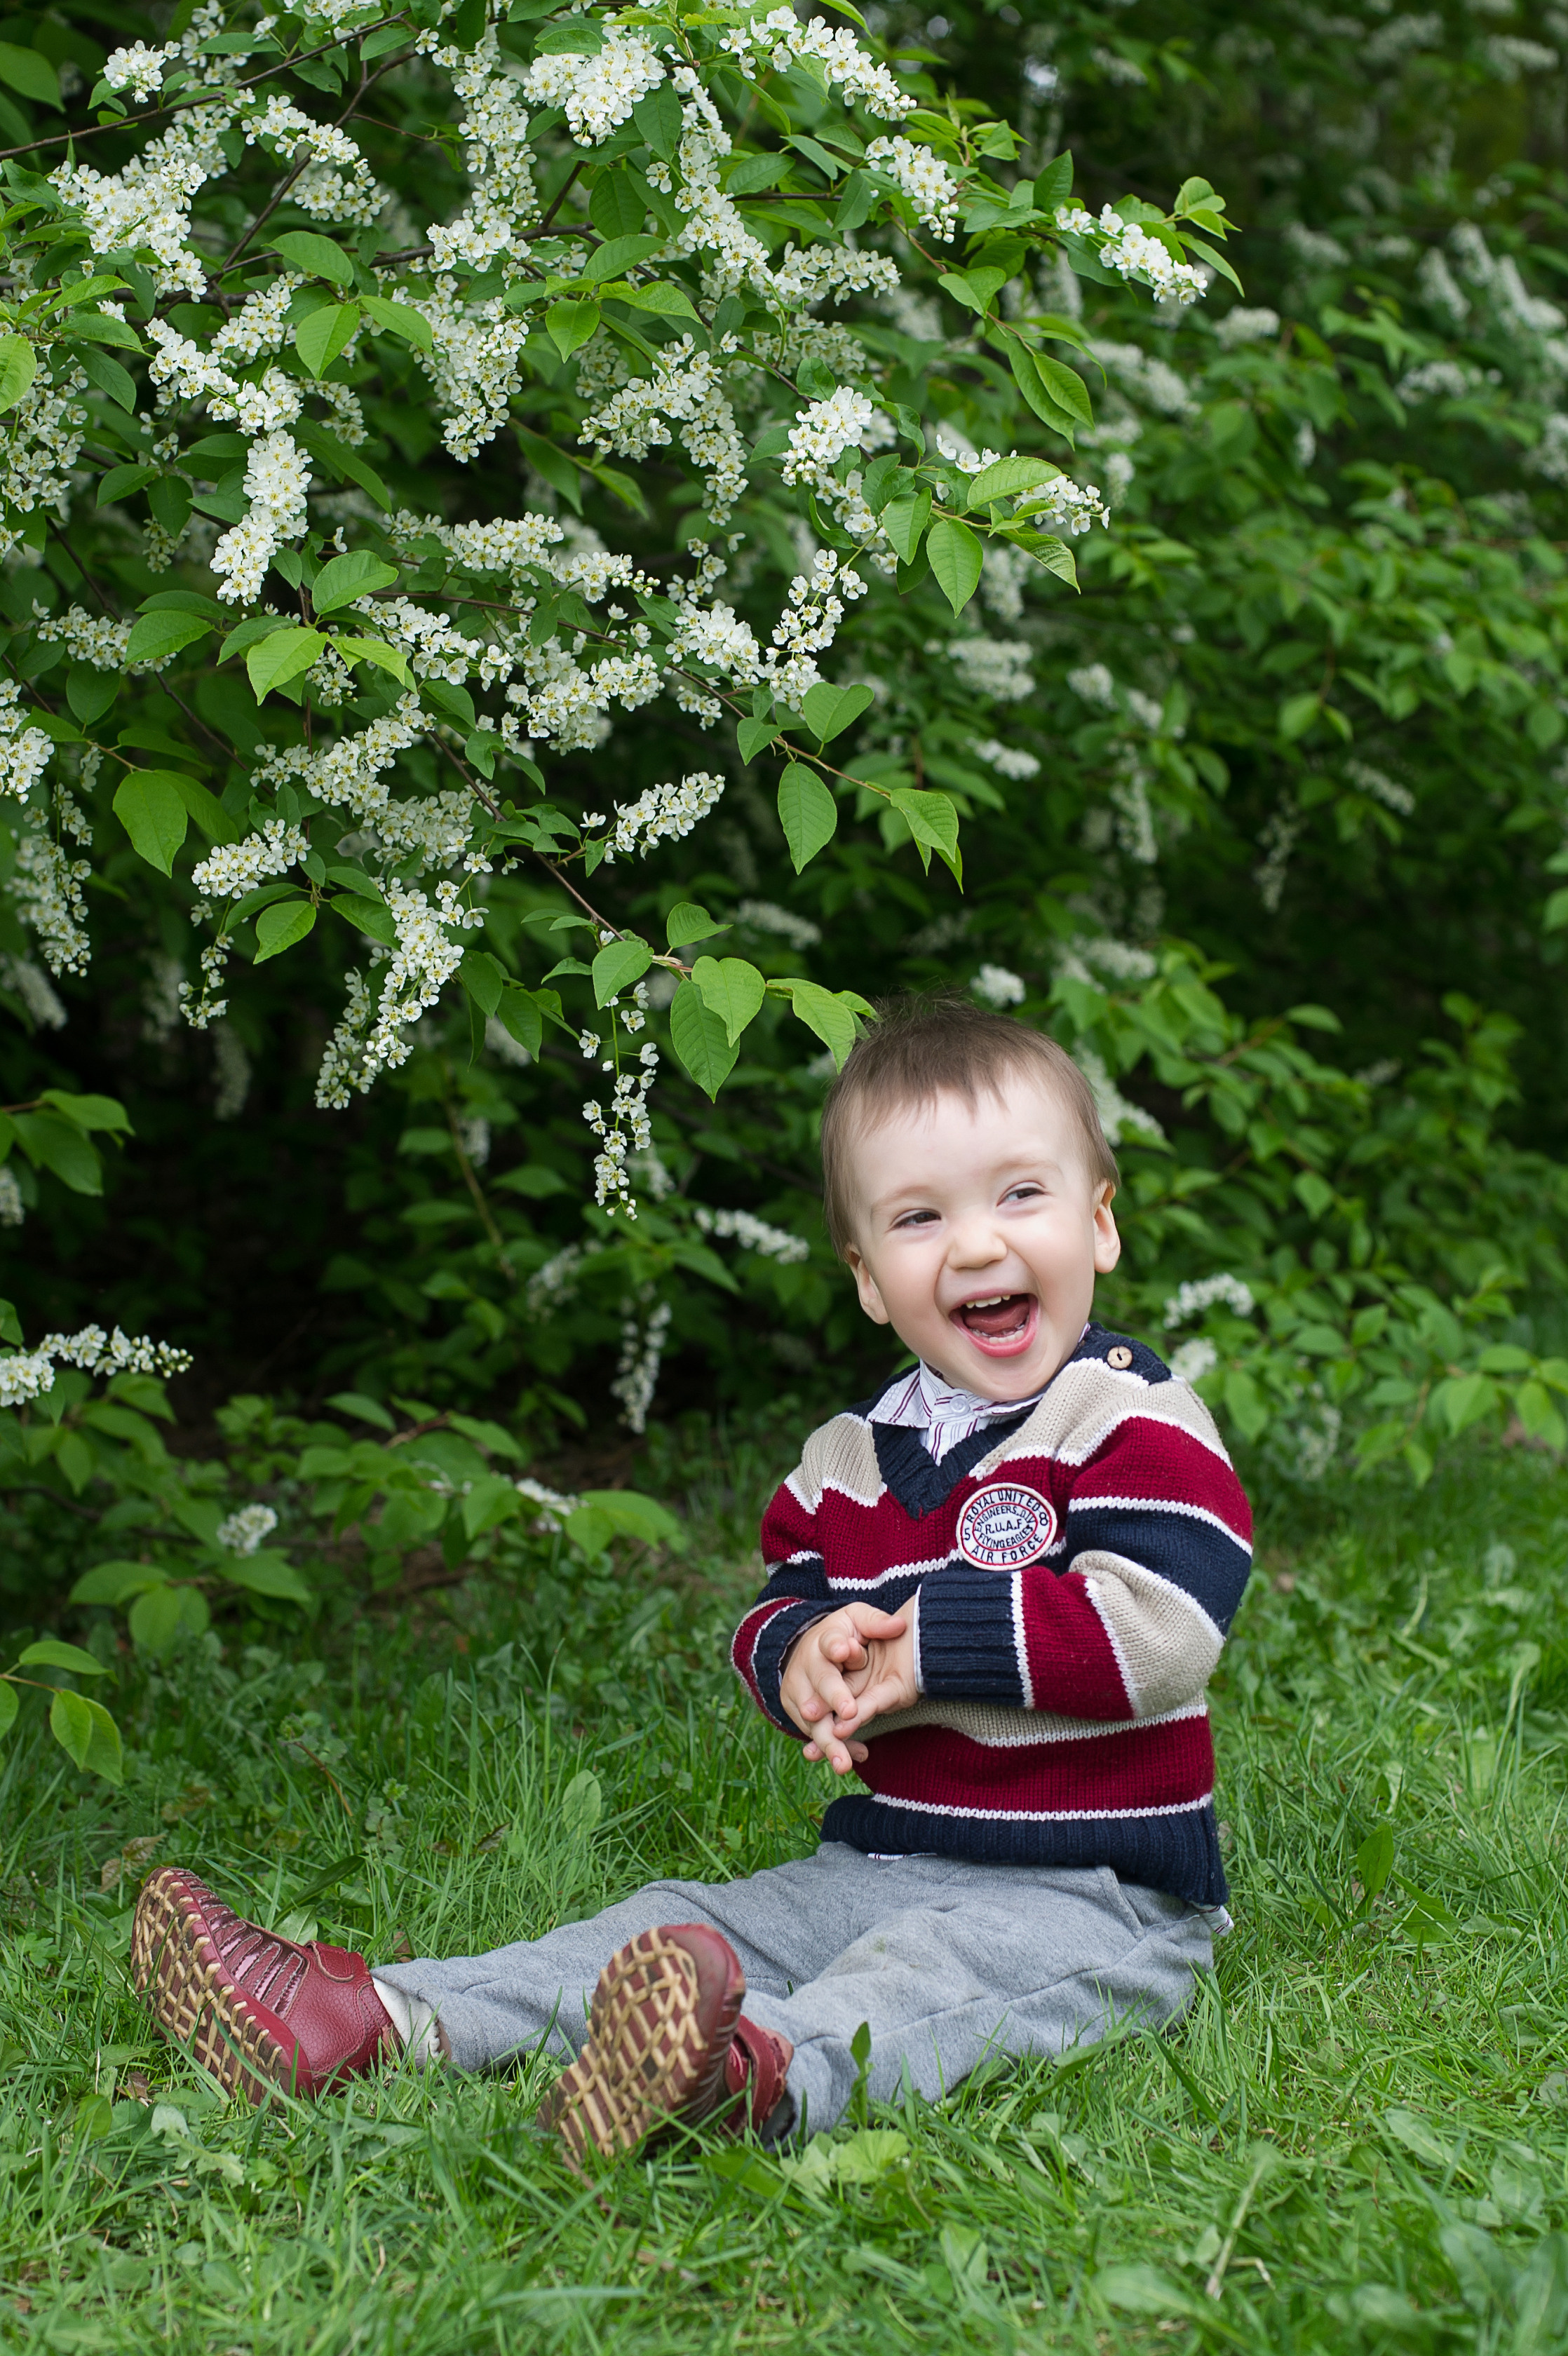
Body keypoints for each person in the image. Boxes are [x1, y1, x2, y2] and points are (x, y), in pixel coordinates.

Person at [132, 996, 1252, 2165]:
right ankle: (377, 2019)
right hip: (879, 1861)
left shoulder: (1128, 1417)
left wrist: (925, 1648)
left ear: (1100, 1223)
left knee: (924, 1981)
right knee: (676, 1923)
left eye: (1021, 1194)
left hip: (1096, 1895)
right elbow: (784, 1604)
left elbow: (1163, 1630)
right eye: (921, 1218)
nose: (977, 1244)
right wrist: (802, 1660)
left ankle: (745, 2081)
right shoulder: (848, 1457)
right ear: (870, 1279)